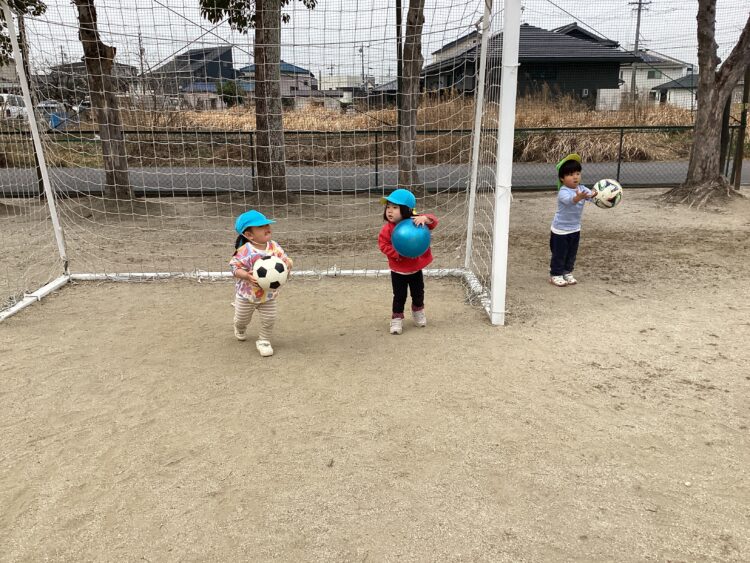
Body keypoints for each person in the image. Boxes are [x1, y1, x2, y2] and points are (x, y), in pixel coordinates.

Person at [230, 210, 293, 357]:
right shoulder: (244, 251)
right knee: (242, 319)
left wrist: (288, 264)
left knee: (269, 318)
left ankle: (264, 341)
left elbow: (284, 259)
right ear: (249, 235)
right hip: (246, 296)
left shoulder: (274, 247)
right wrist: (246, 275)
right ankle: (239, 327)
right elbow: (234, 267)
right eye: (260, 226)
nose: (267, 227)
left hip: (268, 296)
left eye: (267, 224)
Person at [378, 188, 439, 335]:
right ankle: (397, 318)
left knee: (418, 293)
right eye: (388, 207)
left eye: (395, 207)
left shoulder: (415, 222)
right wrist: (398, 253)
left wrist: (425, 218)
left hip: (415, 269)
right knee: (399, 296)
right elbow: (383, 244)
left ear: (406, 210)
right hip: (398, 271)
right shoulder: (387, 229)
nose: (390, 211)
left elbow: (433, 222)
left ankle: (418, 311)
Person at [549, 153, 597, 287]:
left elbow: (592, 197)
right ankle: (555, 274)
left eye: (577, 173)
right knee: (559, 253)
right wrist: (579, 197)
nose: (575, 177)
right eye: (570, 174)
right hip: (560, 230)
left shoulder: (582, 188)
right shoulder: (563, 191)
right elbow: (571, 201)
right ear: (562, 178)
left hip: (575, 228)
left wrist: (599, 194)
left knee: (571, 253)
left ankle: (567, 272)